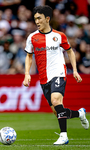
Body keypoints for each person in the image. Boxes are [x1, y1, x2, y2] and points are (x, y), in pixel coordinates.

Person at [23, 5, 89, 145]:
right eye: (35, 19)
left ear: (47, 19)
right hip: (43, 77)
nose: (37, 22)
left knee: (56, 101)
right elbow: (29, 56)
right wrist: (27, 74)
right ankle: (80, 113)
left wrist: (75, 70)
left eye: (39, 18)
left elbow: (70, 51)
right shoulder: (32, 38)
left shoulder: (59, 36)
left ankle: (63, 136)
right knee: (58, 111)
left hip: (58, 72)